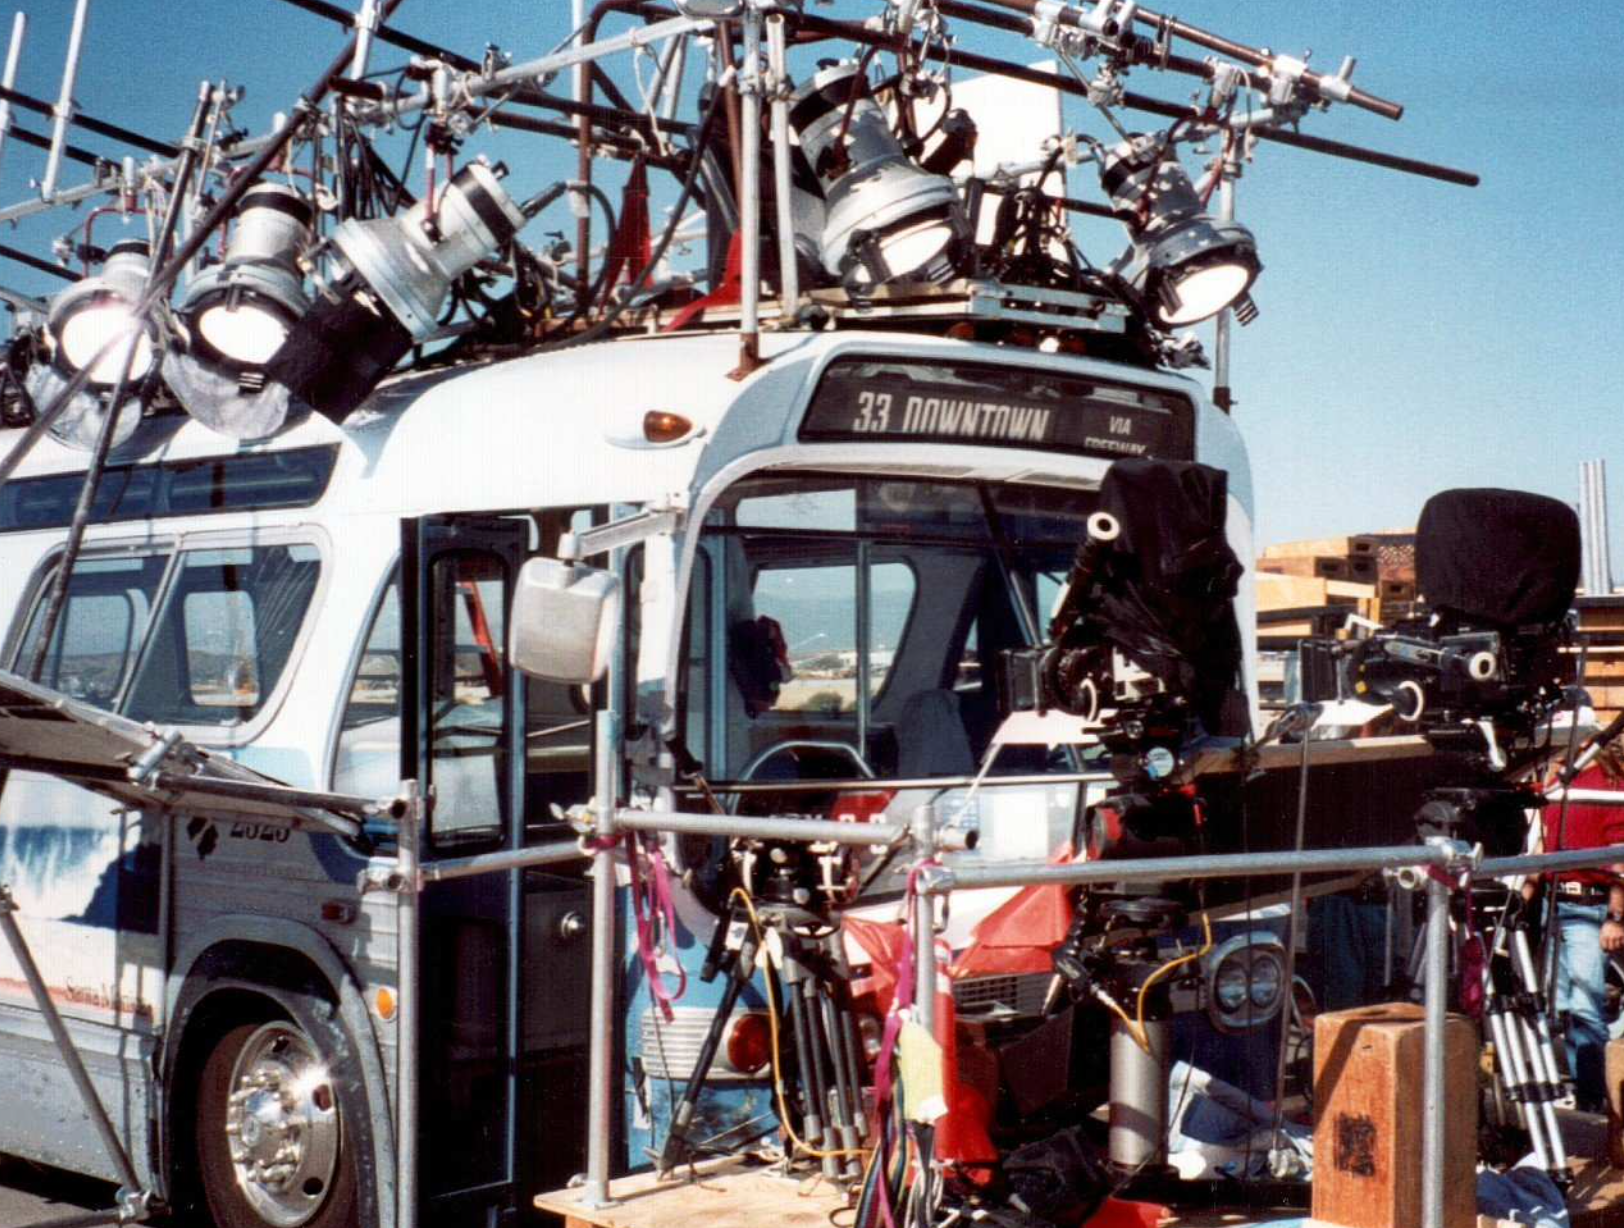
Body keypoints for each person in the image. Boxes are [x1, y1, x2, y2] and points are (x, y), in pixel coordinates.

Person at [1541, 737, 1624, 1112]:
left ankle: (1592, 1103)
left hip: (1588, 906)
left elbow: (1620, 857)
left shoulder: (1609, 786)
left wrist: (1615, 916)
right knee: (1559, 1004)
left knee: (1585, 1005)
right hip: (1553, 903)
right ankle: (1578, 1089)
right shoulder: (1558, 782)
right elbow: (1542, 846)